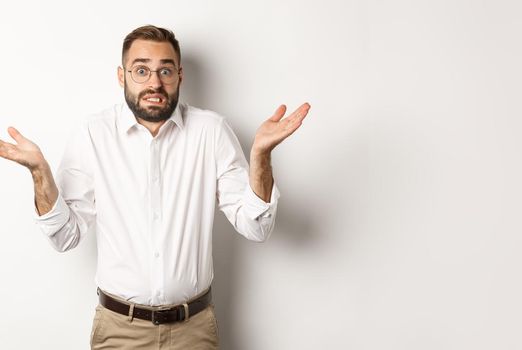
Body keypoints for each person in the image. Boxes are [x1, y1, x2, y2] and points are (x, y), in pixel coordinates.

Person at [0, 25, 310, 349]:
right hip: (119, 330)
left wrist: (261, 156)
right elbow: (64, 236)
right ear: (122, 76)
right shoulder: (93, 134)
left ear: (180, 75)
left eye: (165, 70)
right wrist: (39, 173)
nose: (154, 82)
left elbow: (255, 226)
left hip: (195, 330)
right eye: (142, 70)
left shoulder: (211, 131)